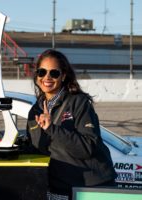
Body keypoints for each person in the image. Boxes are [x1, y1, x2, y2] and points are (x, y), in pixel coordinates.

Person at [26, 49, 117, 200]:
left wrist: (51, 129)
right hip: (57, 189)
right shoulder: (35, 111)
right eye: (42, 72)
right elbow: (36, 149)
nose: (47, 77)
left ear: (63, 75)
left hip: (90, 188)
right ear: (37, 76)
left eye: (54, 73)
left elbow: (87, 147)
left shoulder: (78, 103)